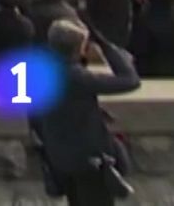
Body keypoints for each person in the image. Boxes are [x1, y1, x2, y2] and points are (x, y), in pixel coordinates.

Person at [33, 20, 139, 206]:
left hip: (59, 156)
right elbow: (130, 80)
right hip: (87, 159)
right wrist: (106, 45)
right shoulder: (77, 76)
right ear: (78, 49)